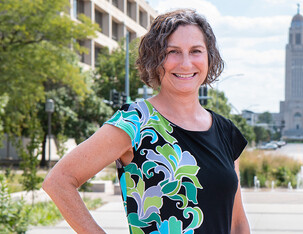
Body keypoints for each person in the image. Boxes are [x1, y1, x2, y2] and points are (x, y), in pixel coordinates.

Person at [43, 8, 250, 234]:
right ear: (156, 58)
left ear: (209, 57)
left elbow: (237, 222)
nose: (186, 63)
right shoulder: (136, 121)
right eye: (173, 51)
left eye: (196, 51)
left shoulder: (225, 131)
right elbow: (59, 181)